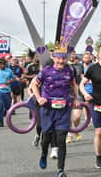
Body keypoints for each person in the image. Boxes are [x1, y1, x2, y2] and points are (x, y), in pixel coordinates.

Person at [31, 47, 80, 177]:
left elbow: (74, 84)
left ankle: (60, 170)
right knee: (46, 136)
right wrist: (39, 98)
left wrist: (76, 98)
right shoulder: (46, 71)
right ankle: (43, 153)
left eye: (63, 58)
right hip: (48, 108)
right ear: (53, 58)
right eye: (58, 58)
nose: (61, 61)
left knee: (61, 138)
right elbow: (34, 85)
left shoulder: (69, 70)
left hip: (64, 109)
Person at [0, 58, 18, 127]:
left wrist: (10, 81)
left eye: (2, 64)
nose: (1, 65)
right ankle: (1, 121)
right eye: (0, 64)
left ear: (5, 64)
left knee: (8, 106)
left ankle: (5, 113)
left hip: (7, 91)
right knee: (0, 105)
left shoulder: (9, 71)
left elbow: (14, 78)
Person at [66, 50, 84, 143]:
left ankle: (75, 129)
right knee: (69, 115)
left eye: (73, 54)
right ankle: (70, 135)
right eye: (70, 54)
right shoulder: (64, 65)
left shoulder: (79, 66)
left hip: (78, 93)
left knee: (76, 117)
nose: (72, 55)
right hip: (67, 93)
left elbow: (83, 77)